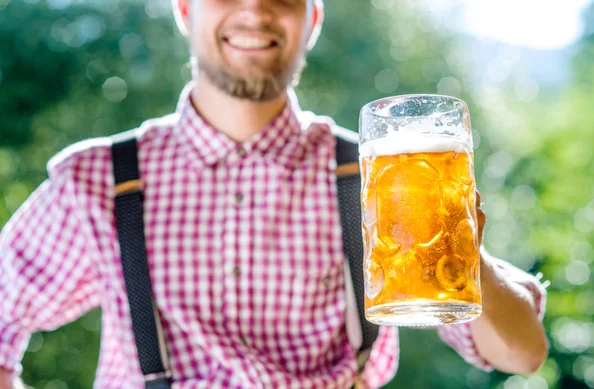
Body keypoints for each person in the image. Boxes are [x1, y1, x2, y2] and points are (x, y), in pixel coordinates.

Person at [0, 0, 549, 388]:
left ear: (311, 19)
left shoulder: (376, 174)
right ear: (185, 10)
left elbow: (523, 354)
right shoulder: (97, 180)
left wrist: (457, 248)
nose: (256, 10)